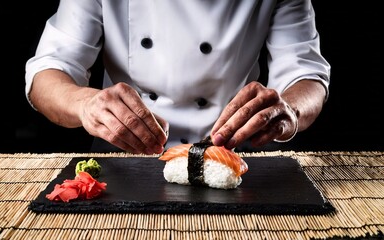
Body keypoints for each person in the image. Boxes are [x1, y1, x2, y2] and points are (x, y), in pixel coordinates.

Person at [25, 0, 330, 154]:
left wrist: (288, 109)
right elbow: (48, 72)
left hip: (235, 154)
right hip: (124, 155)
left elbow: (305, 74)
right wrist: (85, 103)